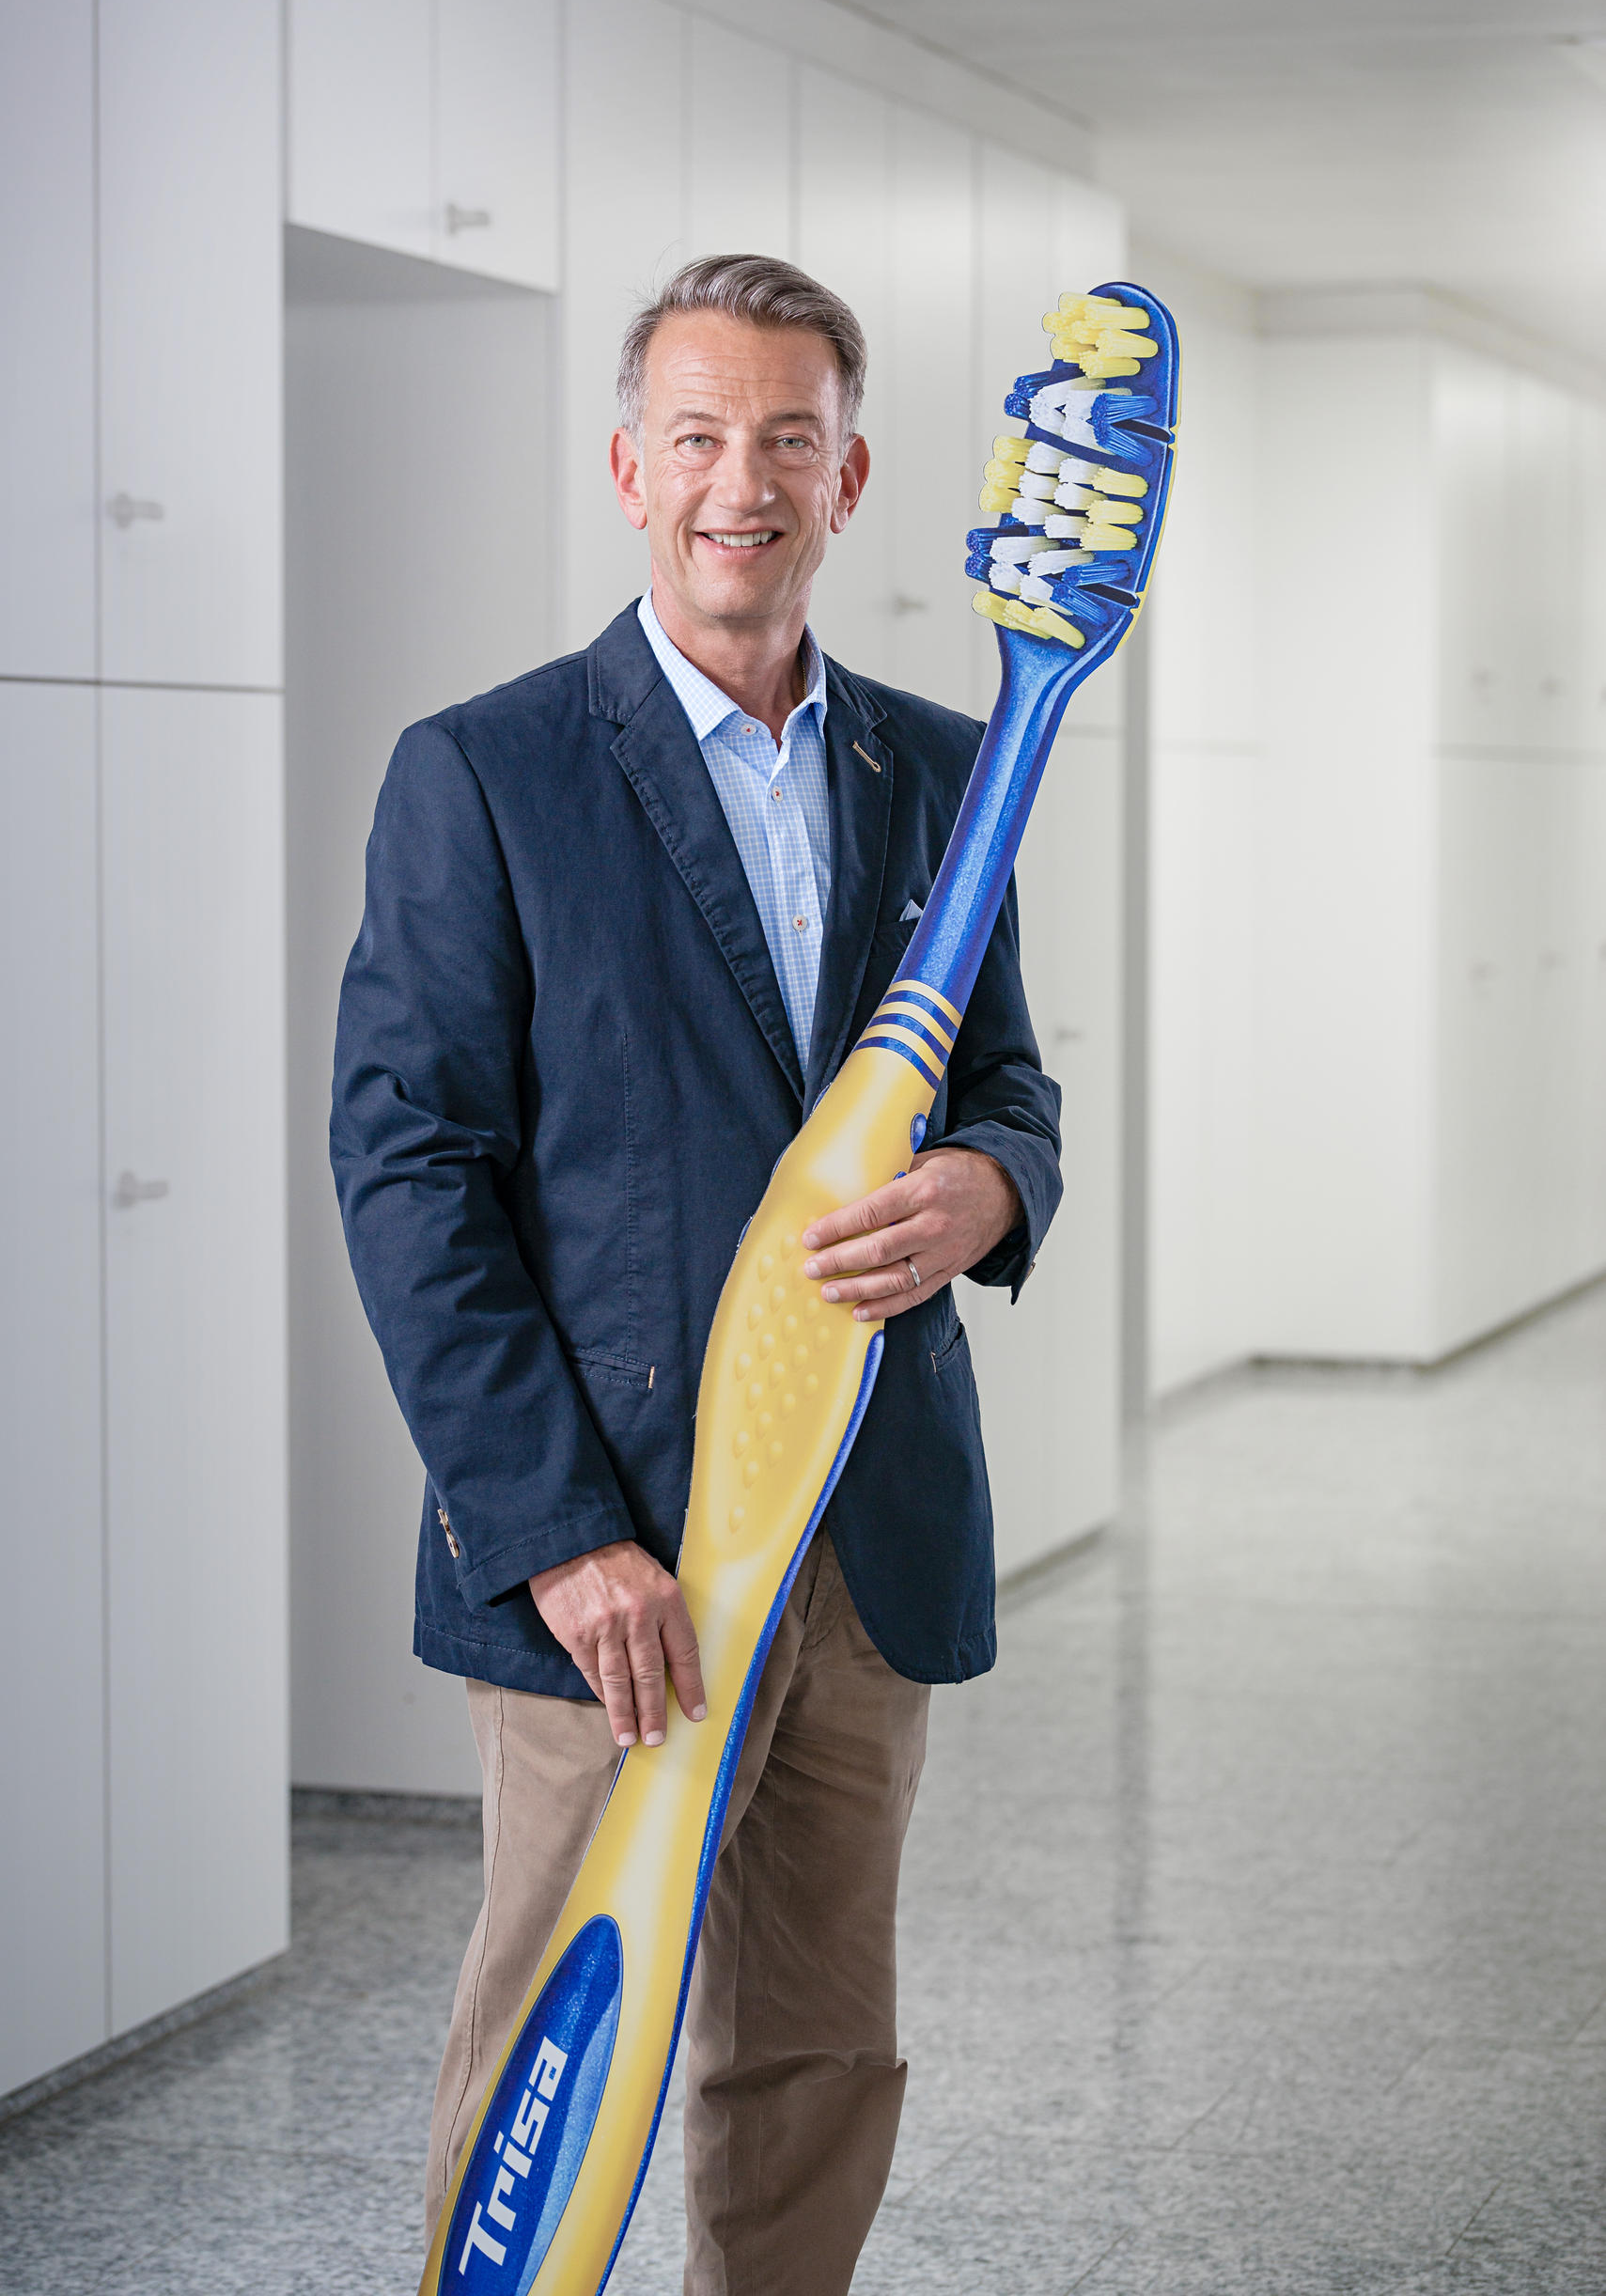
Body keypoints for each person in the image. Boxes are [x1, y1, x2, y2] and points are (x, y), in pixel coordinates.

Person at [330, 252, 1063, 2295]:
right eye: (705, 436)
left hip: (867, 1529)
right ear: (632, 465)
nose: (746, 479)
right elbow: (409, 1169)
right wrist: (561, 1533)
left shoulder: (934, 768)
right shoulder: (486, 771)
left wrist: (992, 1188)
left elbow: (1004, 1076)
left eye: (793, 441)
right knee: (560, 2045)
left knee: (819, 2046)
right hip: (625, 1563)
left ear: (851, 476)